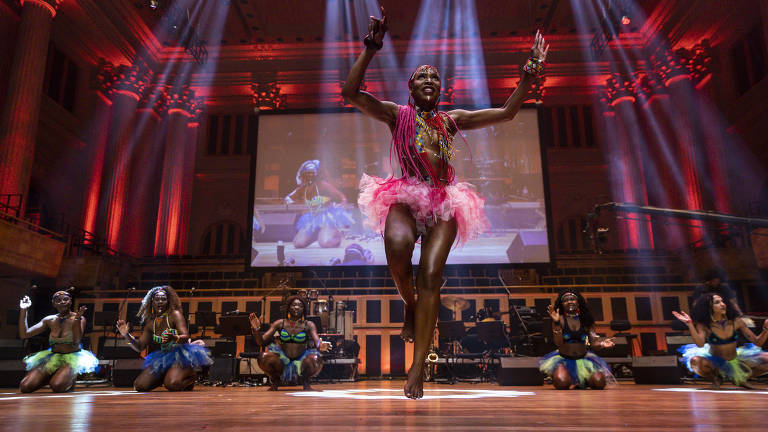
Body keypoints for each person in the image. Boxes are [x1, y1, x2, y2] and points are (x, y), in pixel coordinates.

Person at [341, 7, 548, 399]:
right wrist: (371, 47)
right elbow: (350, 93)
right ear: (410, 87)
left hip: (443, 200)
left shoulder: (452, 121)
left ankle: (417, 368)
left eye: (436, 76)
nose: (430, 79)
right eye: (422, 75)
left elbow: (506, 113)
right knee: (398, 250)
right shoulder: (396, 114)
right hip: (405, 193)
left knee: (432, 274)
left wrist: (527, 79)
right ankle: (409, 302)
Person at [116, 285, 213, 392]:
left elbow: (185, 336)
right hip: (164, 357)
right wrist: (126, 335)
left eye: (163, 299)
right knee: (140, 386)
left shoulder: (174, 315)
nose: (160, 301)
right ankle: (167, 376)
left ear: (169, 301)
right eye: (157, 299)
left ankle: (191, 378)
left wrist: (174, 337)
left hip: (181, 355)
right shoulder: (150, 322)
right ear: (151, 302)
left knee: (172, 385)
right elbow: (140, 347)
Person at [673, 293, 768, 389]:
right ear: (709, 307)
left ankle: (741, 378)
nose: (723, 304)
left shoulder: (736, 321)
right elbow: (700, 344)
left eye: (722, 301)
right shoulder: (704, 325)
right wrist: (690, 325)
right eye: (717, 302)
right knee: (695, 361)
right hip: (714, 363)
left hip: (735, 359)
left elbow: (757, 342)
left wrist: (766, 329)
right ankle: (716, 378)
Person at [18, 291, 98, 393]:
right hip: (53, 357)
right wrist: (24, 309)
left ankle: (66, 379)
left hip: (71, 357)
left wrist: (77, 319)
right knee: (25, 387)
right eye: (58, 300)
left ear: (70, 301)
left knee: (57, 386)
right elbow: (24, 334)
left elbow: (76, 340)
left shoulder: (79, 318)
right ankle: (50, 377)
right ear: (53, 303)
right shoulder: (49, 319)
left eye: (65, 299)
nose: (62, 302)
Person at [248, 296, 330, 390]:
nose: (297, 307)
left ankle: (306, 381)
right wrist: (256, 329)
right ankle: (275, 380)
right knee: (263, 357)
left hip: (301, 360)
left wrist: (321, 345)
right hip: (282, 361)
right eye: (294, 305)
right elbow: (261, 342)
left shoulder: (309, 325)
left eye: (300, 305)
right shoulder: (279, 323)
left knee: (316, 359)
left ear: (303, 309)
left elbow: (317, 341)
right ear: (288, 307)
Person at [539, 289, 616, 390]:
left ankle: (581, 381)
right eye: (566, 300)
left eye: (572, 299)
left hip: (583, 358)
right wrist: (557, 323)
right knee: (561, 383)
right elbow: (558, 343)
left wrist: (602, 343)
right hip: (564, 359)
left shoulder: (586, 319)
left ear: (578, 302)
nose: (570, 301)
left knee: (599, 383)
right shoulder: (559, 319)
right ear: (561, 304)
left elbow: (593, 343)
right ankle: (572, 379)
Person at [285, 159, 354, 248]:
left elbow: (341, 196)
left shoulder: (322, 184)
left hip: (326, 216)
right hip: (311, 217)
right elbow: (289, 199)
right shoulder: (302, 188)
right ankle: (315, 236)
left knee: (326, 243)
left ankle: (335, 235)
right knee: (298, 243)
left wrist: (343, 203)